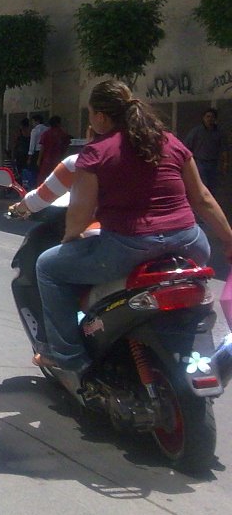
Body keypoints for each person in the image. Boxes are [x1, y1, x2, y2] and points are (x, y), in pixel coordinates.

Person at [34, 79, 232, 374]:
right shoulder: (169, 141)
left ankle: (67, 356)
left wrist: (70, 240)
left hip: (130, 249)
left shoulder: (96, 152)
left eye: (90, 113)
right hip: (191, 244)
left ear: (100, 116)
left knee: (48, 267)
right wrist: (229, 240)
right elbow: (202, 198)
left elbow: (80, 212)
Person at [183, 108, 223, 192]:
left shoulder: (219, 132)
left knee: (212, 188)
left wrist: (225, 164)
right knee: (201, 187)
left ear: (215, 119)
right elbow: (186, 147)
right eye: (207, 116)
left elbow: (224, 148)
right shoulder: (196, 131)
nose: (210, 119)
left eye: (212, 117)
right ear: (203, 118)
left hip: (214, 164)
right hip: (200, 163)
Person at [37, 115, 71, 185]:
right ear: (59, 123)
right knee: (58, 178)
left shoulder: (46, 133)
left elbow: (42, 147)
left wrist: (39, 159)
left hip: (47, 160)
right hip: (58, 159)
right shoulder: (63, 134)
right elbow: (67, 147)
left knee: (44, 178)